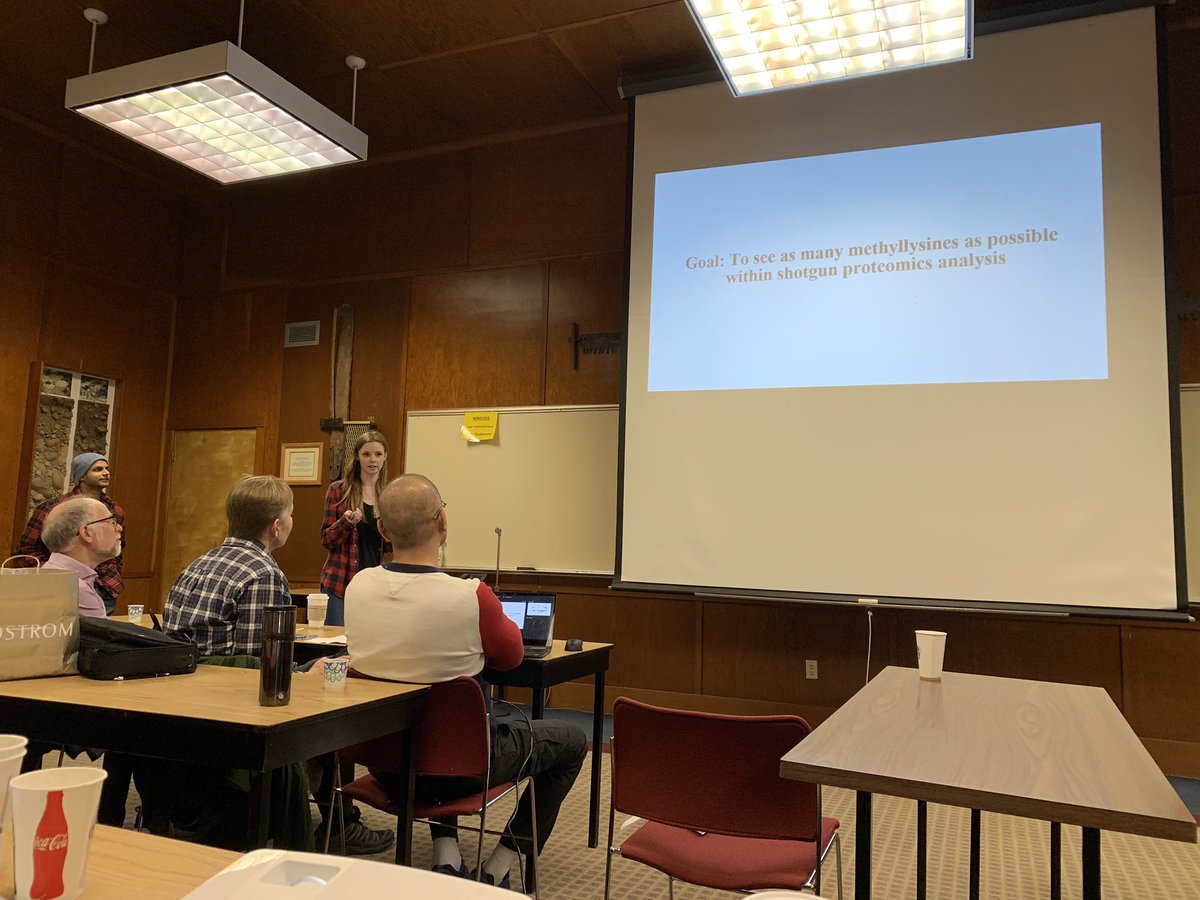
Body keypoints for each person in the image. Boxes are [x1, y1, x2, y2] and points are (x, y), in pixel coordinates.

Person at [345, 474, 587, 888]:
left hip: (386, 764)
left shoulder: (358, 586)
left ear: (382, 530)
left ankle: (447, 855)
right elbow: (511, 658)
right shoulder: (471, 596)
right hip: (467, 768)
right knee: (571, 742)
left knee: (432, 722)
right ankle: (501, 864)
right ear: (442, 522)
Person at [163, 474, 392, 856]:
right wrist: (307, 674)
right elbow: (257, 673)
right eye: (291, 513)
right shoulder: (264, 574)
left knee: (317, 672)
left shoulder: (197, 565)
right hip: (232, 720)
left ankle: (340, 823)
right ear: (276, 525)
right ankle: (338, 826)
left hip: (182, 715)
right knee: (329, 705)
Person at [15, 452, 125, 614]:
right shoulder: (56, 508)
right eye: (98, 469)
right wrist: (51, 574)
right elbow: (26, 548)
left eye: (107, 468)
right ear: (82, 476)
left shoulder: (115, 509)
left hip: (106, 585)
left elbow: (119, 546)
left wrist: (113, 573)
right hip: (64, 582)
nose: (106, 473)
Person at [319, 430, 392, 626]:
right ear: (358, 457)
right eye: (366, 454)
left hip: (373, 587)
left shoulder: (388, 494)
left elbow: (389, 547)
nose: (372, 460)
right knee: (336, 640)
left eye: (378, 454)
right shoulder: (339, 490)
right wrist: (346, 523)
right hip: (340, 583)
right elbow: (326, 540)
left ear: (385, 456)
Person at [39, 496, 122, 618]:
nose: (119, 528)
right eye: (111, 522)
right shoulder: (76, 590)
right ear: (86, 533)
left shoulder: (48, 573)